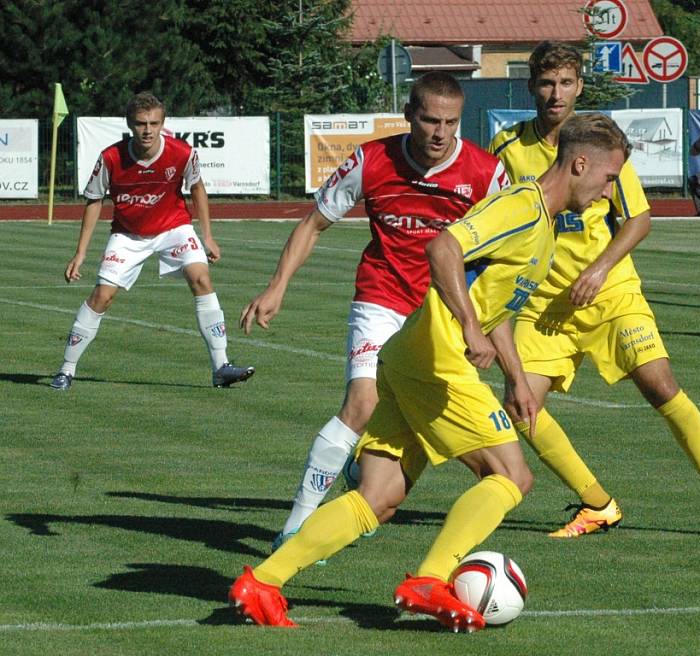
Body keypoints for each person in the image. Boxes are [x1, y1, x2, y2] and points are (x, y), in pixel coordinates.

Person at [229, 113, 630, 630]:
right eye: (609, 178)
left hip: (409, 355)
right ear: (580, 164)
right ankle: (431, 577)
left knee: (378, 498)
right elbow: (443, 247)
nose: (608, 191)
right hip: (435, 359)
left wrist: (512, 374)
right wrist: (467, 327)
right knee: (511, 476)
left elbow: (496, 309)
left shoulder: (544, 228)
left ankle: (264, 581)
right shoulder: (522, 208)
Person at [489, 41, 700, 539]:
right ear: (531, 85)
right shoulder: (506, 148)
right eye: (546, 83)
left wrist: (599, 268)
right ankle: (597, 503)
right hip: (545, 305)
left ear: (579, 86)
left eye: (566, 82)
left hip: (611, 292)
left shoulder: (598, 141)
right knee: (521, 406)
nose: (555, 93)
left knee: (661, 385)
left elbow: (638, 218)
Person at [239, 72, 508, 552]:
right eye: (429, 120)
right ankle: (294, 530)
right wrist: (276, 287)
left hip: (443, 315)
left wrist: (480, 325)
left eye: (450, 122)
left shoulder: (487, 173)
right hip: (381, 299)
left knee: (422, 430)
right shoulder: (371, 159)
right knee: (361, 403)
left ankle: (361, 467)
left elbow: (503, 258)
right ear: (409, 115)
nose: (440, 132)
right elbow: (313, 223)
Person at [50, 92, 254, 390]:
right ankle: (66, 370)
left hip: (174, 227)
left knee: (201, 278)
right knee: (102, 296)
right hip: (128, 235)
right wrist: (80, 253)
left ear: (163, 123)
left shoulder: (181, 152)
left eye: (154, 123)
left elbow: (197, 188)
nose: (148, 130)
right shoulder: (110, 158)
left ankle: (221, 367)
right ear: (130, 124)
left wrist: (207, 235)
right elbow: (94, 201)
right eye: (141, 123)